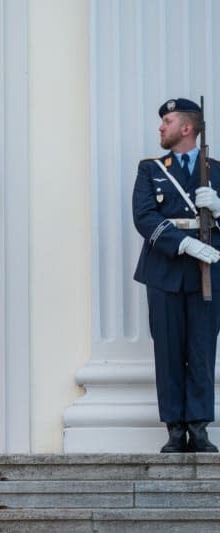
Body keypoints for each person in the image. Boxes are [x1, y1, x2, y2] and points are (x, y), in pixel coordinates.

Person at [132, 97, 220, 453]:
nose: (160, 127)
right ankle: (174, 427)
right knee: (168, 351)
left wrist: (218, 207)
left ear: (187, 127)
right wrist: (184, 244)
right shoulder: (150, 169)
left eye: (167, 121)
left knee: (201, 349)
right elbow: (144, 216)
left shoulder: (216, 170)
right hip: (166, 269)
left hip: (207, 271)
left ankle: (199, 426)